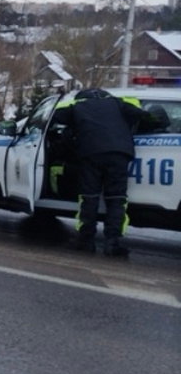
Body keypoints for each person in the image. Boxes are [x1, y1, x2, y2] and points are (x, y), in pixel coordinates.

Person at [50, 87, 160, 257]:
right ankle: (112, 243)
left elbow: (54, 117)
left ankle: (86, 241)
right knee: (117, 199)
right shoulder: (118, 103)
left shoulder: (77, 107)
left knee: (89, 197)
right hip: (119, 154)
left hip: (91, 154)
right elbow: (146, 117)